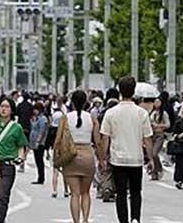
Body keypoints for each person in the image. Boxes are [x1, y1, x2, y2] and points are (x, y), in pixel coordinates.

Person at [100, 76, 154, 223]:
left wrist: (102, 158)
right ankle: (135, 218)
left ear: (119, 91)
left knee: (121, 193)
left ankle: (123, 221)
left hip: (118, 159)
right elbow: (147, 138)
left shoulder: (111, 112)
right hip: (136, 159)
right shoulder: (141, 113)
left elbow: (105, 137)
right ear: (133, 91)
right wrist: (151, 159)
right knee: (136, 191)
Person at [63, 90, 100, 223]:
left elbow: (59, 140)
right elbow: (98, 141)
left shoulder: (66, 117)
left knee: (74, 194)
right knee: (86, 192)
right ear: (86, 103)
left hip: (71, 157)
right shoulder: (92, 119)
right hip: (87, 155)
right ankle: (85, 219)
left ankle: (76, 221)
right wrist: (101, 159)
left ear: (72, 102)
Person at [0, 97, 28, 223]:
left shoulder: (16, 127)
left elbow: (21, 145)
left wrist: (20, 157)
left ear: (12, 110)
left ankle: (0, 220)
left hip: (7, 166)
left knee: (2, 196)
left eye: (7, 107)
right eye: (1, 106)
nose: (3, 109)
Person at [149, 96, 170, 180]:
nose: (156, 104)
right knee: (151, 154)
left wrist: (159, 125)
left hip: (159, 135)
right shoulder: (152, 113)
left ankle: (159, 169)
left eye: (158, 102)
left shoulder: (164, 114)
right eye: (155, 102)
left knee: (154, 153)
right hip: (152, 135)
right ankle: (154, 172)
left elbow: (168, 124)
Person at [29, 102, 49, 184]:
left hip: (40, 143)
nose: (34, 111)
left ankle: (41, 178)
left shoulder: (43, 119)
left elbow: (42, 131)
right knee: (37, 160)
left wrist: (38, 141)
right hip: (34, 142)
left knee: (39, 160)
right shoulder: (36, 118)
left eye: (36, 109)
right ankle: (39, 177)